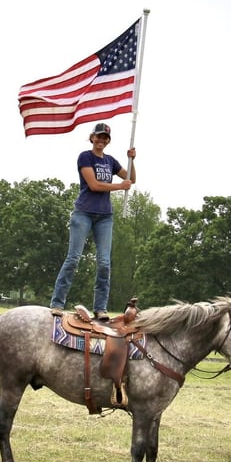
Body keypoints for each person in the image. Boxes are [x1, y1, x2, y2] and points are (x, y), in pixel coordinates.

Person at [50, 122, 136, 321]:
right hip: (84, 213)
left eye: (105, 138)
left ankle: (100, 308)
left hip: (105, 216)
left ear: (108, 141)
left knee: (105, 263)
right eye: (98, 137)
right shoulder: (85, 157)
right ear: (92, 138)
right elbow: (94, 185)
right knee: (73, 258)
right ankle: (57, 303)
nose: (101, 141)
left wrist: (132, 160)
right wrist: (119, 186)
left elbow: (131, 178)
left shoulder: (110, 161)